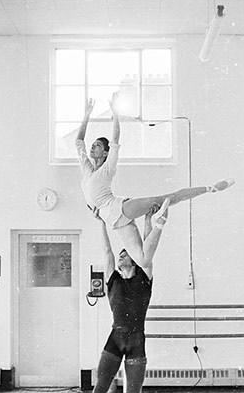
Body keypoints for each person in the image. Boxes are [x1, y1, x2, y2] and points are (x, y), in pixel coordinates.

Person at [72, 93, 234, 269]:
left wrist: (115, 116)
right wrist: (86, 115)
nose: (92, 146)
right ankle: (155, 222)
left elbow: (115, 140)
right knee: (143, 261)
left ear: (105, 153)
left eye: (97, 145)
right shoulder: (87, 171)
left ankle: (211, 188)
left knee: (169, 198)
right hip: (114, 222)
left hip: (120, 209)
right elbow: (78, 141)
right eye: (93, 144)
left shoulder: (107, 168)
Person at [69, 203, 168, 393]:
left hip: (136, 342)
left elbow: (146, 249)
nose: (122, 255)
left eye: (126, 253)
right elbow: (106, 250)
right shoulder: (111, 278)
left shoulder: (144, 275)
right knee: (100, 388)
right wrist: (101, 222)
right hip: (115, 340)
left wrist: (148, 221)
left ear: (134, 260)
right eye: (121, 253)